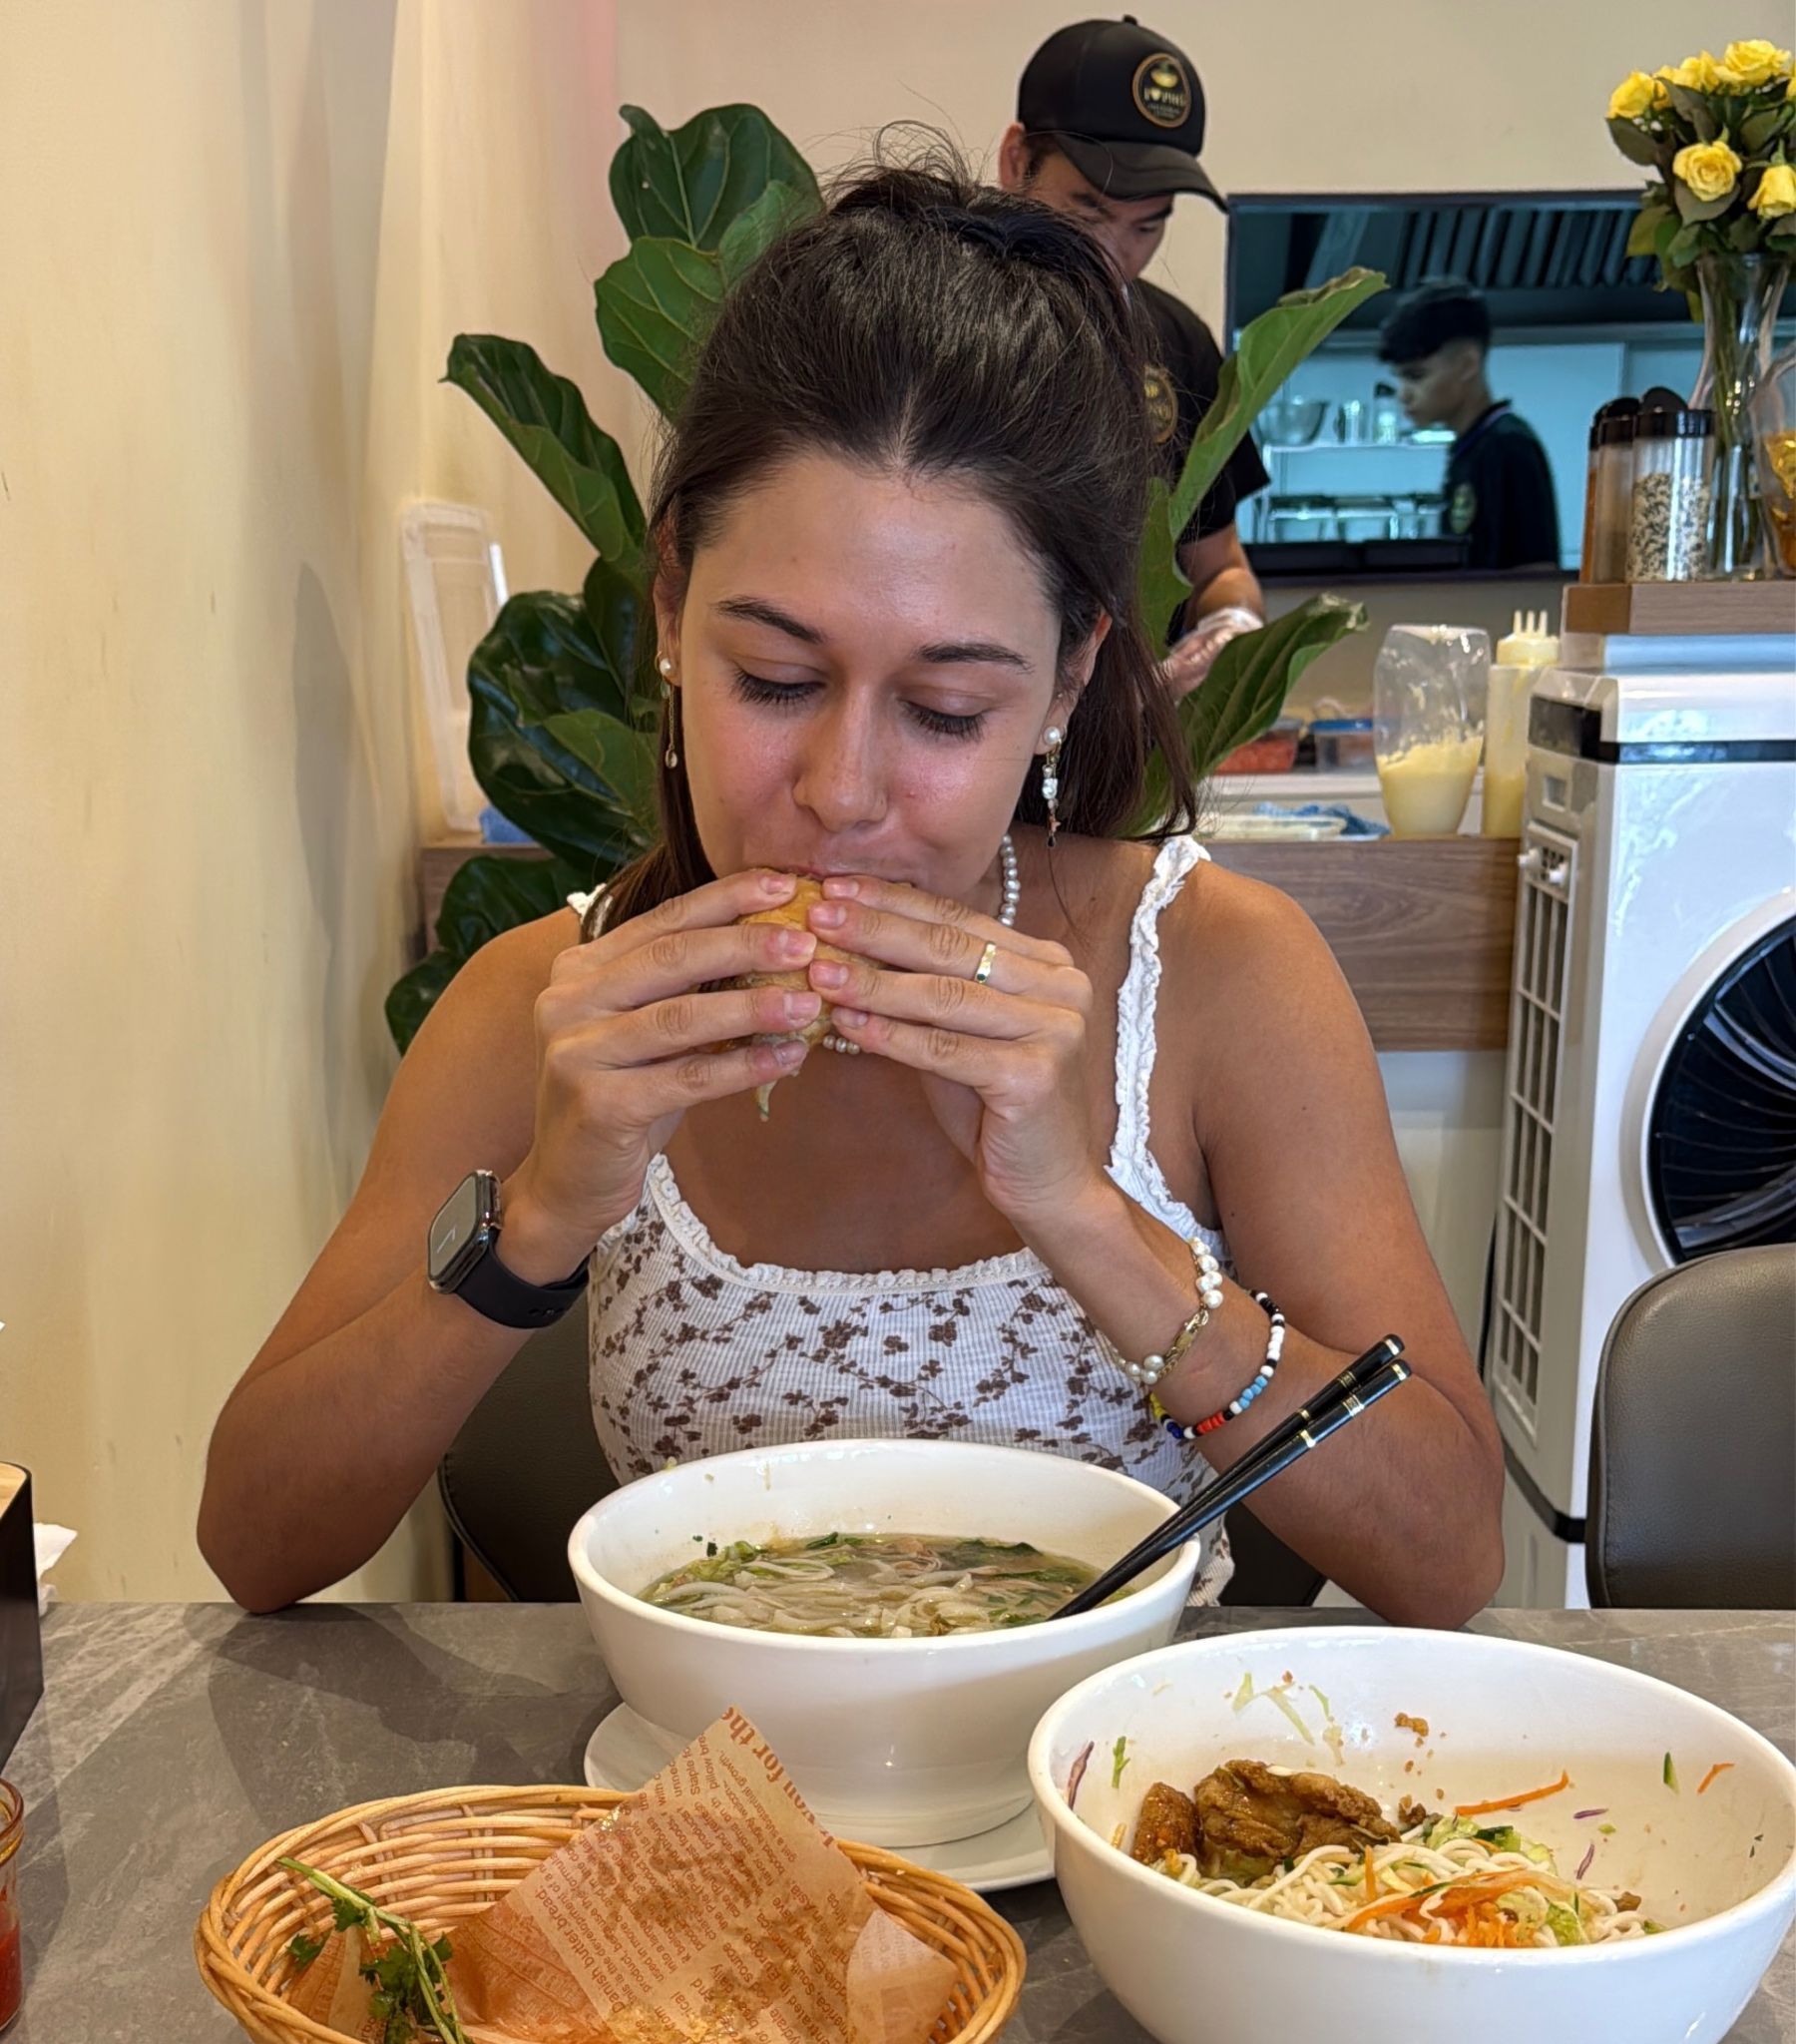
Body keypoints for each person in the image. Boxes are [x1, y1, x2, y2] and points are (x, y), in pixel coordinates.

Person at [198, 161, 1504, 1626]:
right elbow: (255, 1540)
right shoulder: (547, 1009)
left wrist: (1088, 1215)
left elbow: (1448, 1555)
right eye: (774, 678)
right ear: (675, 605)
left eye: (946, 710)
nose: (841, 789)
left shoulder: (1213, 972)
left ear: (1067, 678)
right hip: (711, 1808)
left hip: (1113, 1803)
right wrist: (544, 1215)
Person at [998, 16, 1266, 696]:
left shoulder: (1178, 346)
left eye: (1147, 227)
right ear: (1015, 161)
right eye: (1085, 215)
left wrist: (1228, 627)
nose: (1112, 256)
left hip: (1127, 752)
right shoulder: (928, 320)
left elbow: (1219, 568)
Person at [1379, 279, 1560, 572]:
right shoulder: (1468, 448)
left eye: (1416, 376)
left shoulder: (1510, 445)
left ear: (1467, 364)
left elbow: (1536, 572)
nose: (1403, 394)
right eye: (1399, 379)